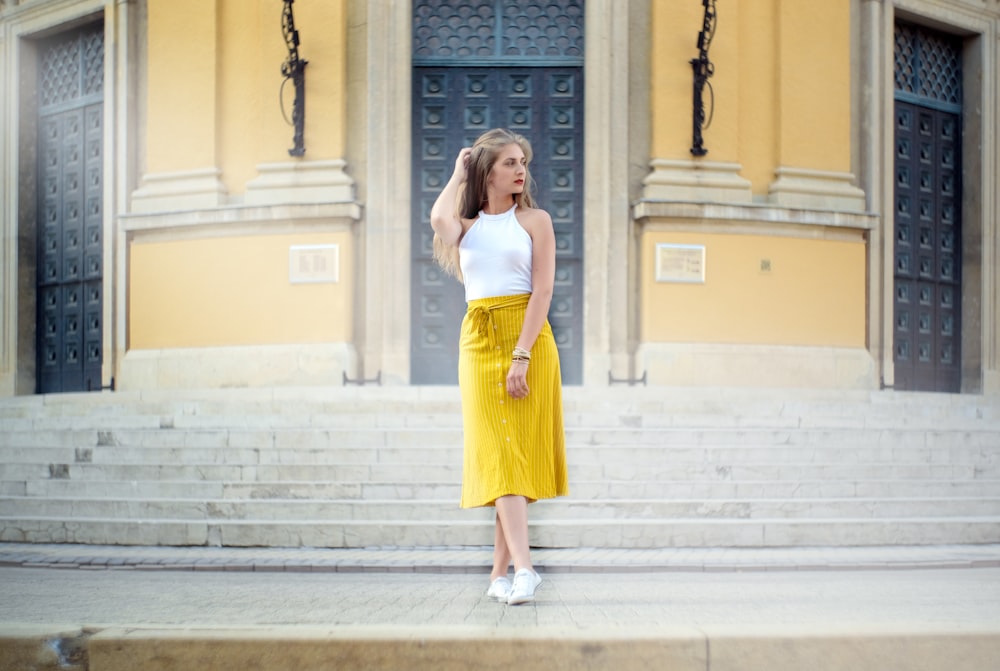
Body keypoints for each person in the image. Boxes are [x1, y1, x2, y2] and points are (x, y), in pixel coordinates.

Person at [429, 128, 569, 606]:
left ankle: (518, 570)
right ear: (487, 172)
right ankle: (506, 571)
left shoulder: (535, 220)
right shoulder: (466, 228)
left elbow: (543, 291)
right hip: (478, 338)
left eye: (522, 161)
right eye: (510, 162)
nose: (520, 169)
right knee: (498, 452)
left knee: (512, 455)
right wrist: (456, 172)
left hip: (526, 336)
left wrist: (522, 355)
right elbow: (438, 218)